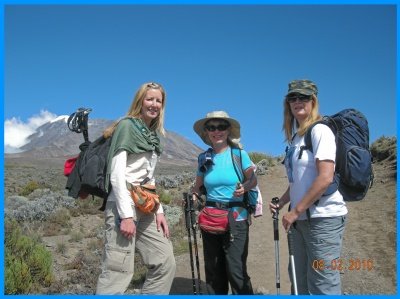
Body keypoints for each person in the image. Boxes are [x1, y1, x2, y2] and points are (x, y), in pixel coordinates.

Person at [96, 82, 176, 294]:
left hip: (145, 204)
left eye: (158, 101)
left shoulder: (154, 136)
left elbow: (149, 177)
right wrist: (126, 216)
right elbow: (117, 174)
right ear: (140, 101)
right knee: (117, 272)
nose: (154, 104)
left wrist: (159, 211)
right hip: (124, 205)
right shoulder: (127, 127)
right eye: (149, 99)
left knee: (165, 262)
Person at [269, 79, 348, 295]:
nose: (297, 101)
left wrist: (295, 211)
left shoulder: (320, 131)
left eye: (303, 97)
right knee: (298, 279)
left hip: (324, 219)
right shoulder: (296, 138)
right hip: (301, 220)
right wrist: (283, 202)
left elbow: (325, 178)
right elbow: (297, 181)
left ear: (313, 101)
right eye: (292, 98)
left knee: (323, 282)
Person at [191, 111, 257, 295]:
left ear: (228, 130)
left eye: (221, 126)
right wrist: (193, 198)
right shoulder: (204, 158)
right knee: (213, 271)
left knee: (235, 269)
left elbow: (253, 180)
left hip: (236, 217)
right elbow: (197, 187)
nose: (216, 131)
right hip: (210, 218)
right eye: (211, 127)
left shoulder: (239, 154)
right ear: (207, 132)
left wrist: (244, 187)